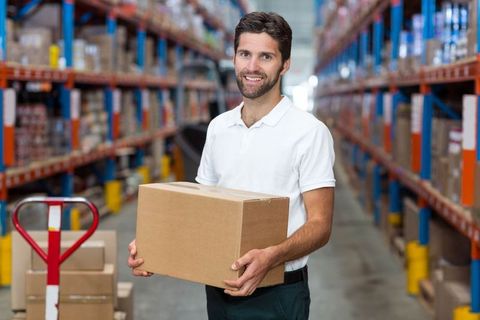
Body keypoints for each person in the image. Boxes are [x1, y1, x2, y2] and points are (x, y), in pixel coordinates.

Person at [128, 11, 335, 319]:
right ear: (235, 57)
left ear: (285, 65)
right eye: (244, 54)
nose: (252, 67)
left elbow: (320, 225)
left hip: (277, 292)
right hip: (219, 286)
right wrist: (157, 246)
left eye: (265, 56)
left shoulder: (308, 132)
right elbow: (202, 209)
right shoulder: (219, 128)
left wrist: (272, 256)